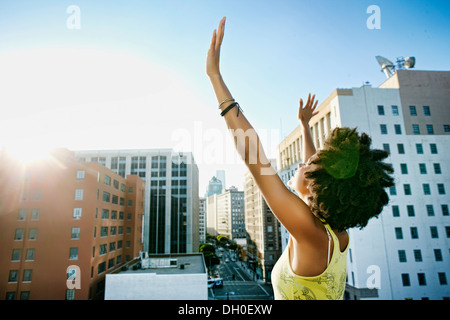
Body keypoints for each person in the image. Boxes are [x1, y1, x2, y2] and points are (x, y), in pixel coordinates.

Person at [206, 17, 394, 300]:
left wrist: (215, 77)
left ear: (318, 185)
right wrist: (305, 126)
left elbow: (254, 156)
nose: (303, 162)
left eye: (310, 164)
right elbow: (315, 174)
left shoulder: (311, 233)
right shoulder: (334, 230)